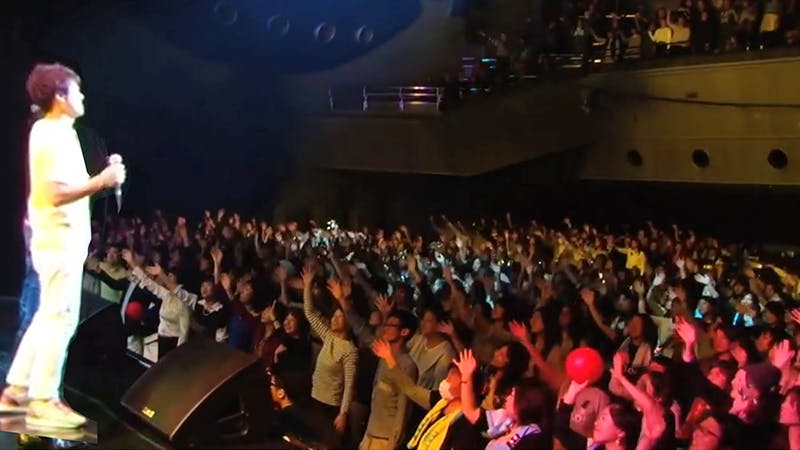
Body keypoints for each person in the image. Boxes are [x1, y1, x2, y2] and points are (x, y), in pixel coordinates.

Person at [0, 63, 126, 429]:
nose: (82, 96)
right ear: (59, 95)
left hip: (64, 241)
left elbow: (72, 190)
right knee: (61, 318)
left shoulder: (62, 134)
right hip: (56, 241)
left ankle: (16, 392)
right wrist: (102, 181)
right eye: (76, 90)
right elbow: (54, 193)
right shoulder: (50, 133)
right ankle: (43, 399)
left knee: (48, 315)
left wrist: (102, 177)